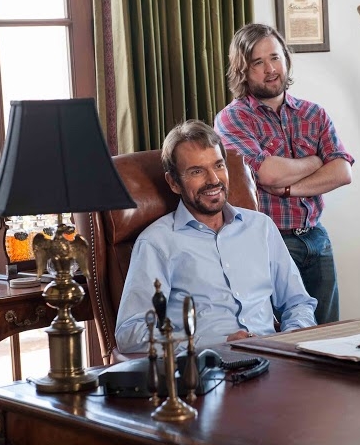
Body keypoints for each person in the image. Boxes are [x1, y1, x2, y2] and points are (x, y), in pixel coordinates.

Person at [115, 120, 317, 353]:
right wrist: (214, 344)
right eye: (197, 171)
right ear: (174, 183)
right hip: (206, 366)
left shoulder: (261, 227)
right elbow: (130, 333)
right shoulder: (156, 243)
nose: (213, 180)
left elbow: (298, 303)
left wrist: (291, 340)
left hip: (274, 359)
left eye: (219, 165)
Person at [214, 23, 353, 325]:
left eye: (275, 58)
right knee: (282, 339)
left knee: (328, 334)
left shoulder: (314, 114)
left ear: (286, 59)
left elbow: (342, 171)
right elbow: (268, 175)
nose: (270, 69)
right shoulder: (232, 118)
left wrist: (290, 189)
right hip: (270, 242)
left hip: (317, 238)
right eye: (258, 62)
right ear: (242, 71)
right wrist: (316, 161)